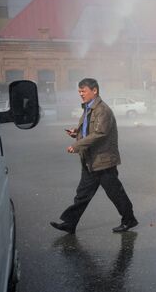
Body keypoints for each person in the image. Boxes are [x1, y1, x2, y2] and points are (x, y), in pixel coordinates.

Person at [50, 78, 138, 234]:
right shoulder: (88, 108)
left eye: (83, 91)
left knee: (115, 193)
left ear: (94, 90)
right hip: (90, 160)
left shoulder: (102, 110)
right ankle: (70, 223)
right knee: (82, 194)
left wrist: (76, 145)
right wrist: (76, 133)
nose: (81, 94)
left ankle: (129, 220)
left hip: (103, 161)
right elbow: (88, 129)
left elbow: (99, 133)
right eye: (79, 91)